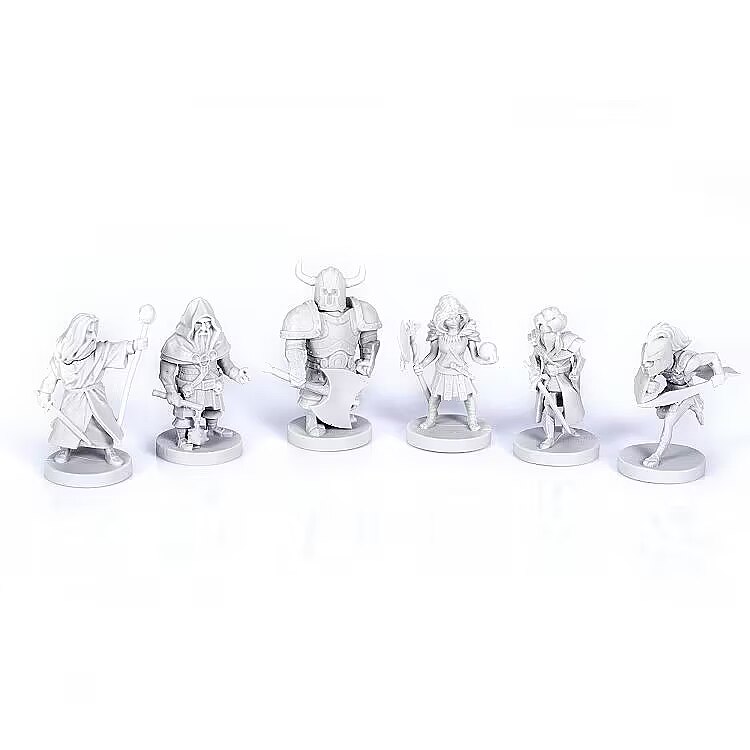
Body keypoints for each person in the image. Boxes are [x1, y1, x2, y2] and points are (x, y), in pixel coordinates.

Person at [281, 264, 381, 436]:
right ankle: (312, 421)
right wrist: (296, 369)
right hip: (317, 372)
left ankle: (341, 415)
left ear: (342, 291)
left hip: (347, 371)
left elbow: (370, 341)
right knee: (314, 397)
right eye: (325, 291)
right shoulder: (302, 315)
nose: (329, 297)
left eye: (334, 292)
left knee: (346, 396)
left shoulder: (361, 312)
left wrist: (367, 362)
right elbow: (294, 347)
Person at [37, 313, 147, 465]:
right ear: (78, 332)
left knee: (101, 425)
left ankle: (108, 449)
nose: (94, 336)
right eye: (89, 332)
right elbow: (52, 375)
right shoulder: (61, 355)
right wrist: (44, 393)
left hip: (94, 397)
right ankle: (65, 448)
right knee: (68, 426)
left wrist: (134, 345)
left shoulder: (99, 351)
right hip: (72, 399)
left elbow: (113, 348)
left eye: (95, 331)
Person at [160, 298, 250, 451]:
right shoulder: (176, 343)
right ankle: (182, 438)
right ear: (190, 323)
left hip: (212, 385)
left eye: (207, 323)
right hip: (189, 388)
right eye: (199, 323)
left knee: (213, 409)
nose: (204, 328)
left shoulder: (218, 340)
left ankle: (212, 429)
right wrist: (171, 391)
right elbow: (166, 372)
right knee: (184, 415)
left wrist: (237, 374)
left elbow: (226, 364)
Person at [414, 294, 497, 431]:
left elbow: (475, 356)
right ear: (442, 320)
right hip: (442, 371)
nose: (453, 321)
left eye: (455, 316)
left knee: (468, 397)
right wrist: (421, 365)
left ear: (461, 316)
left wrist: (488, 361)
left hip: (460, 371)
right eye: (449, 318)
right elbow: (432, 354)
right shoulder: (438, 335)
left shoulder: (468, 334)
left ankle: (472, 420)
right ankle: (431, 419)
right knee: (434, 397)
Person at [527, 306, 585, 449]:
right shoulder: (537, 342)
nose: (546, 336)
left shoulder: (569, 341)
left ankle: (567, 427)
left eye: (549, 332)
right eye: (542, 331)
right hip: (548, 381)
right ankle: (550, 437)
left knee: (567, 404)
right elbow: (534, 360)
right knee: (549, 408)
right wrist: (536, 373)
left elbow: (579, 358)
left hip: (564, 379)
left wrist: (575, 371)